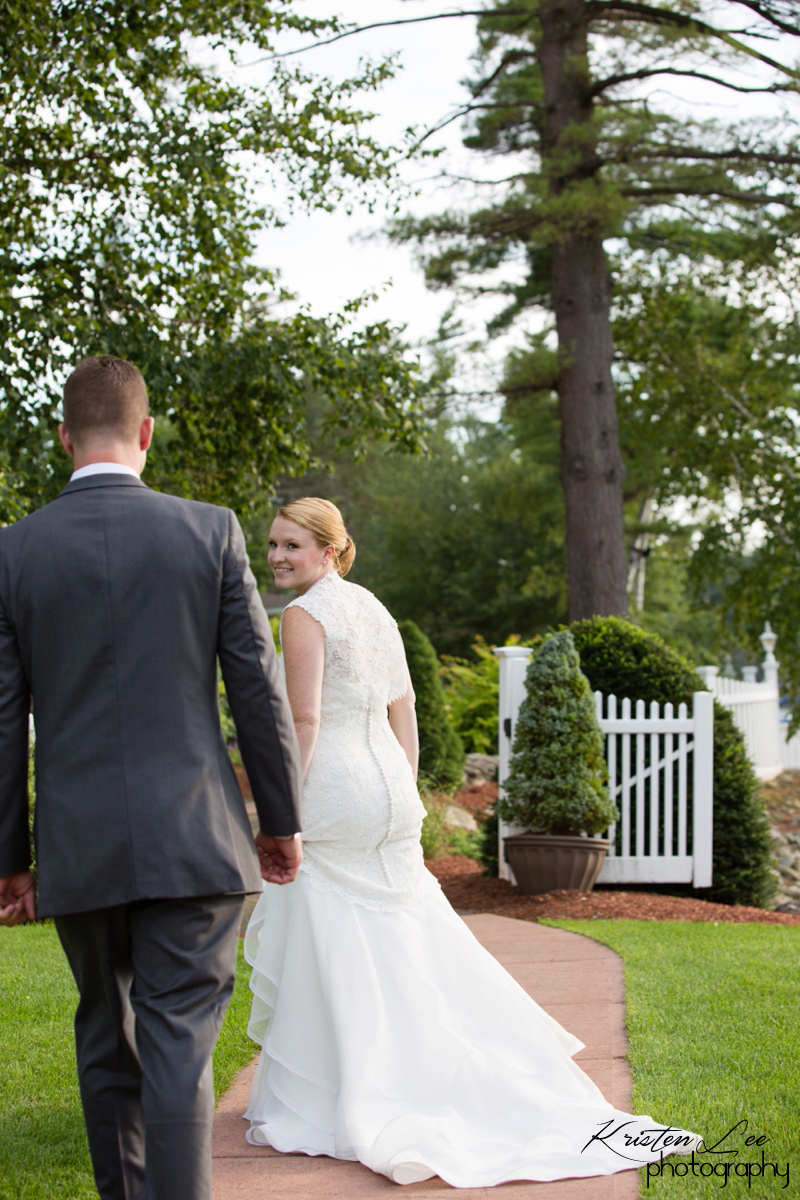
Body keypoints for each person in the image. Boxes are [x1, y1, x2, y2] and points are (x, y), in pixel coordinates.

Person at [242, 496, 701, 1187]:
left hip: (333, 789)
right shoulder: (373, 609)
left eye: (291, 546)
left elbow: (304, 720)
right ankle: (439, 1068)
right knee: (406, 936)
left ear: (329, 551)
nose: (277, 556)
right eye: (274, 544)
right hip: (386, 790)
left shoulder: (304, 615)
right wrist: (404, 787)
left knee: (333, 933)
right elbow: (405, 708)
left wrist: (281, 808)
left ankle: (341, 1090)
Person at [0, 356, 303, 1200]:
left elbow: (2, 720)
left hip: (81, 844)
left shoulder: (13, 552)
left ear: (64, 437)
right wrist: (280, 821)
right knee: (178, 1045)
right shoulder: (210, 532)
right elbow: (256, 690)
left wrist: (11, 858)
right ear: (145, 432)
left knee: (107, 1038)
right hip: (196, 837)